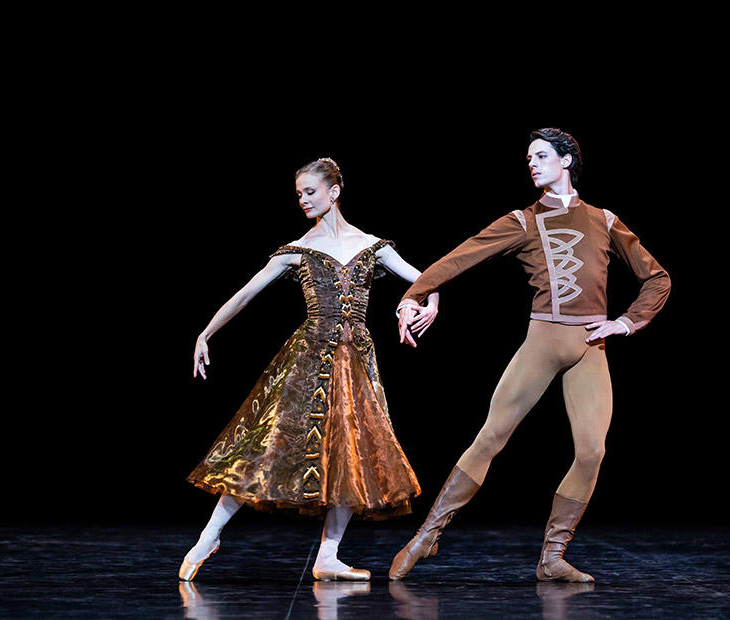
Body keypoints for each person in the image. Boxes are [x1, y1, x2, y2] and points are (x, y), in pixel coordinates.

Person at [390, 128, 670, 582]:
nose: (532, 164)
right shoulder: (523, 220)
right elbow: (460, 258)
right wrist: (415, 294)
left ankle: (553, 556)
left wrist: (625, 321)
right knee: (492, 436)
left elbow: (657, 278)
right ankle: (427, 535)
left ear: (566, 160)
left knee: (592, 451)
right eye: (528, 158)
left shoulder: (605, 219)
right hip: (542, 341)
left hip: (590, 346)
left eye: (541, 156)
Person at [180, 157, 439, 582]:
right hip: (307, 360)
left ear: (334, 192)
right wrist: (205, 333)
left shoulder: (373, 245)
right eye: (298, 194)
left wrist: (428, 304)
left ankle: (329, 556)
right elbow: (246, 293)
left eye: (310, 192)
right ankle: (209, 536)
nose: (302, 199)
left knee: (349, 453)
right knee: (264, 444)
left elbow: (428, 278)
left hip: (354, 362)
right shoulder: (297, 251)